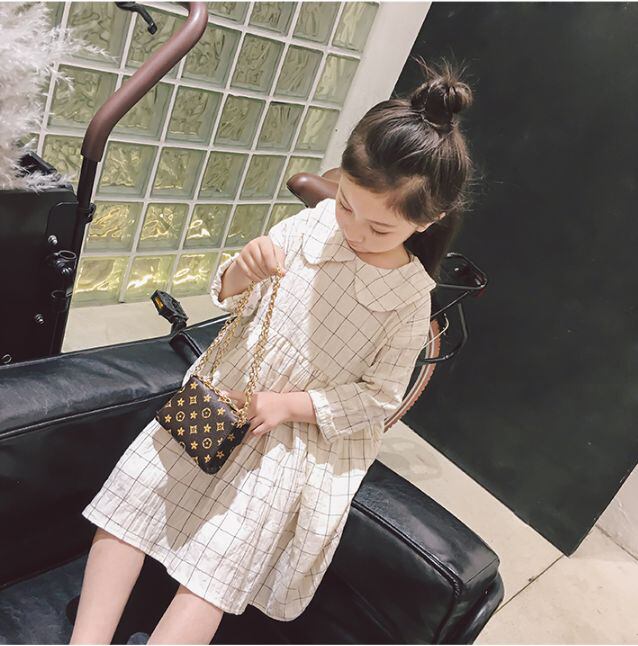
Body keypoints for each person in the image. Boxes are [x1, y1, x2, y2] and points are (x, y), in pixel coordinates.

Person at [71, 56, 476, 645]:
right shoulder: (312, 225)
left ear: (429, 219)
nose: (353, 230)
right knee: (127, 510)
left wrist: (289, 406)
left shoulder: (409, 299)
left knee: (211, 575)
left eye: (379, 228)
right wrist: (244, 266)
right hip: (217, 401)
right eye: (347, 205)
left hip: (287, 446)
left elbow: (378, 399)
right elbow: (230, 296)